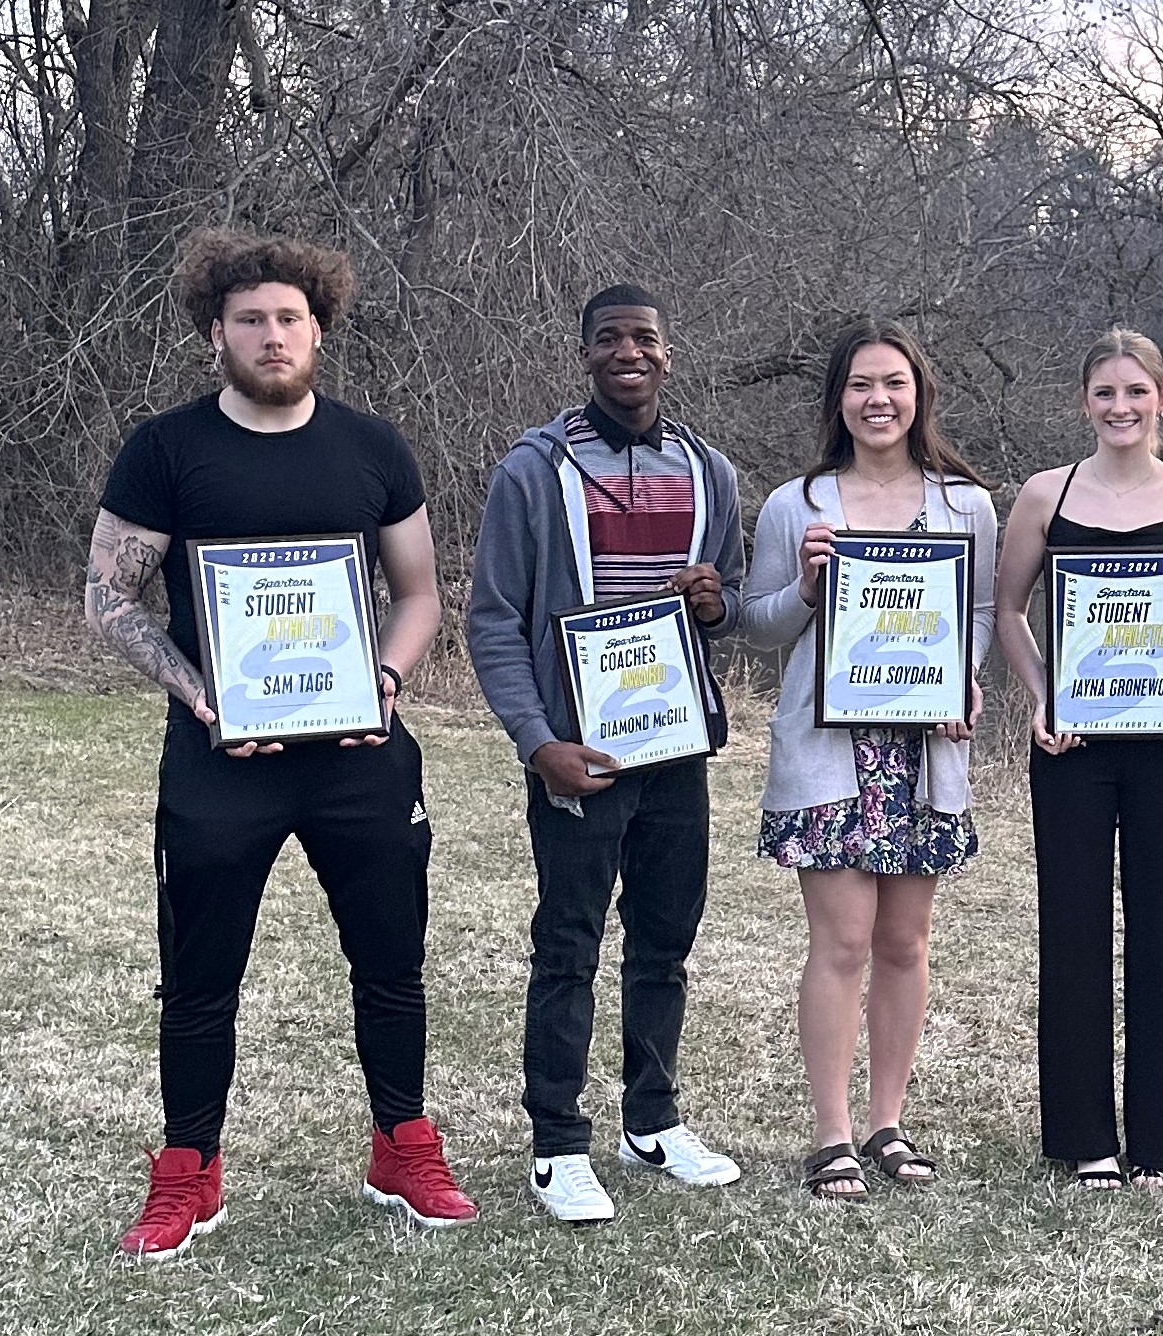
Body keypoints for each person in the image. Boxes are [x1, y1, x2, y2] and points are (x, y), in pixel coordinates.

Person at [85, 227, 476, 1260]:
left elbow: (420, 592)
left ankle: (401, 1145)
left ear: (319, 330)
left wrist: (384, 680)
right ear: (214, 331)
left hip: (359, 754)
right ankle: (189, 1174)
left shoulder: (372, 447)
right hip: (222, 761)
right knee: (202, 975)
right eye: (249, 319)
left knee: (390, 964)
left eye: (288, 319)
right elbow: (107, 596)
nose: (270, 336)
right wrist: (200, 694)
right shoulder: (165, 449)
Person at [467, 284, 746, 1223]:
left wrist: (714, 605)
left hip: (675, 749)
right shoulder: (534, 471)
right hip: (578, 753)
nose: (630, 353)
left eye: (646, 339)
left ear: (668, 354)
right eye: (610, 340)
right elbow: (495, 619)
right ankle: (556, 1142)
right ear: (585, 354)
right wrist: (536, 740)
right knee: (569, 942)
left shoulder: (711, 471)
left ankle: (652, 1120)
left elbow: (729, 607)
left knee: (665, 940)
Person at [741, 318, 996, 1200]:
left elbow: (984, 613)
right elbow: (757, 620)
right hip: (828, 752)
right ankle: (832, 1133)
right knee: (841, 941)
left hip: (923, 752)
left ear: (918, 394)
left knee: (905, 940)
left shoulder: (966, 503)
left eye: (893, 383)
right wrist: (807, 590)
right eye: (860, 385)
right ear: (837, 400)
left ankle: (889, 1122)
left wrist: (963, 679)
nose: (877, 399)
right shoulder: (795, 503)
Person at [995, 329, 1163, 1190]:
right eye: (1105, 392)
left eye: (1136, 391)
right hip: (1074, 744)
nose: (1121, 407)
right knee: (1075, 931)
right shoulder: (1044, 495)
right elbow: (1006, 610)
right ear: (1083, 401)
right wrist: (1040, 693)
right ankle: (1084, 1136)